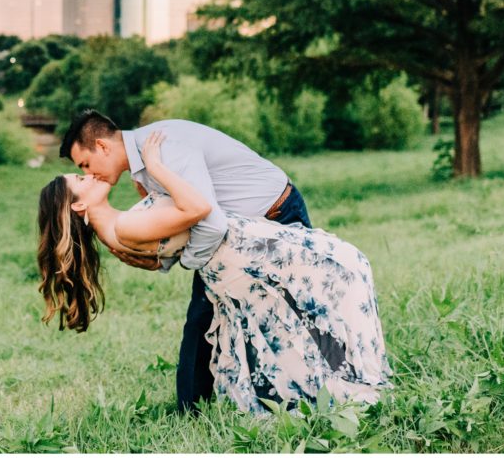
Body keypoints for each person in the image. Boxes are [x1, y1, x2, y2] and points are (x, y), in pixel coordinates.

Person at [38, 130, 392, 413]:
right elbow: (198, 209)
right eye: (80, 177)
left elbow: (171, 236)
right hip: (242, 250)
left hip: (240, 249)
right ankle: (345, 385)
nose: (90, 174)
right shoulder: (125, 227)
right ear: (80, 205)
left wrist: (152, 187)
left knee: (289, 320)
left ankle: (331, 382)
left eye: (84, 167)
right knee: (340, 274)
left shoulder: (120, 223)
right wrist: (157, 167)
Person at [59, 110, 311, 412]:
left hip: (275, 216)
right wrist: (161, 261)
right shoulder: (144, 162)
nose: (89, 173)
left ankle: (306, 392)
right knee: (205, 316)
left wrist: (188, 263)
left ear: (102, 146)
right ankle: (193, 406)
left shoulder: (162, 149)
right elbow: (179, 224)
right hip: (238, 231)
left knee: (299, 310)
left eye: (85, 164)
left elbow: (209, 223)